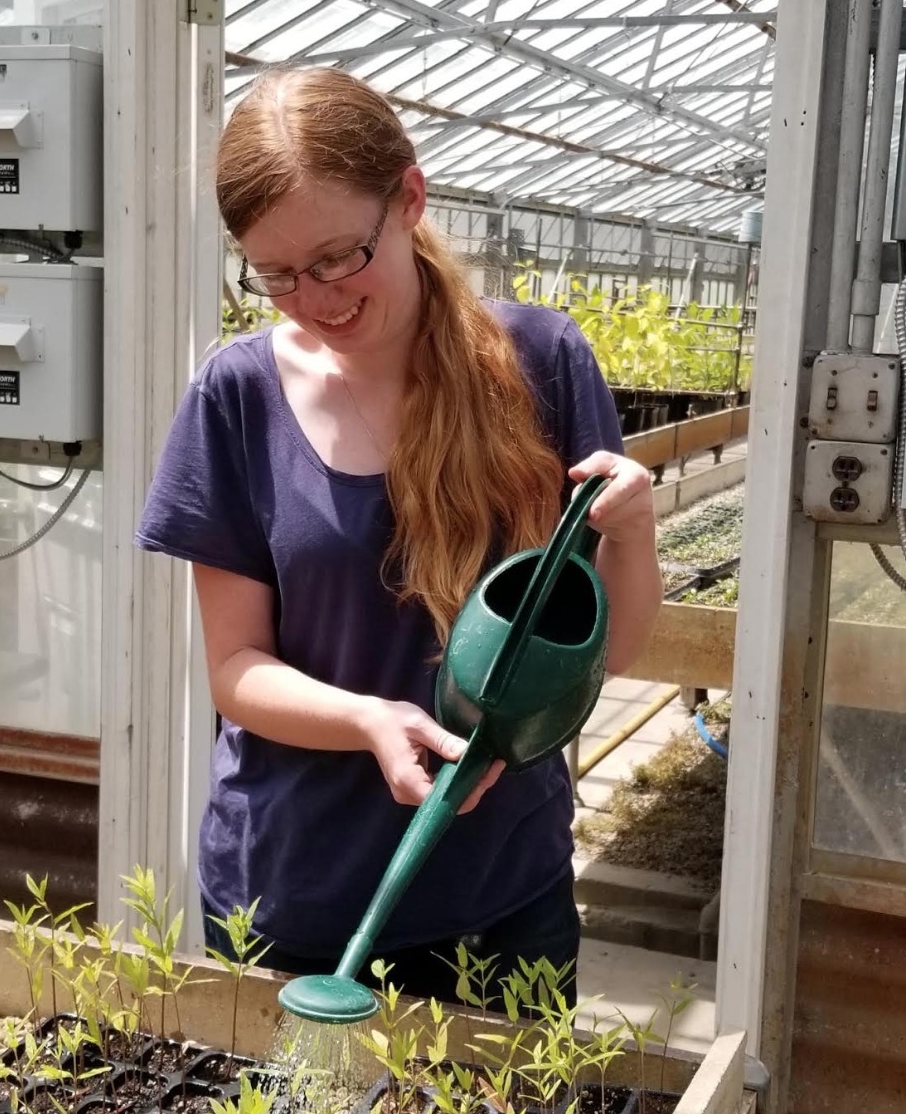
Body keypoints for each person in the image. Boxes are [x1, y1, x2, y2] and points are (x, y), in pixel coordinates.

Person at [136, 67, 662, 1011]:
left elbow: (605, 655)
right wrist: (370, 721)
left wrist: (632, 535)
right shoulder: (237, 396)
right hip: (295, 900)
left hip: (500, 898)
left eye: (338, 257)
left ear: (409, 199)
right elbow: (235, 668)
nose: (314, 298)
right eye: (276, 274)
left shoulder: (540, 365)